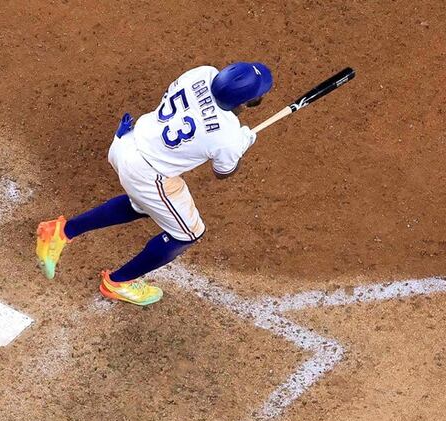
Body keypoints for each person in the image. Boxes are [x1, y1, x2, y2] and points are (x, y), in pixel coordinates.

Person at [36, 61, 274, 306]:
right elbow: (223, 173)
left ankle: (61, 231)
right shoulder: (229, 138)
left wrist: (235, 140)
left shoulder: (202, 73)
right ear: (244, 103)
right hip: (148, 174)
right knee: (188, 234)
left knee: (141, 204)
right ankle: (119, 283)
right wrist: (241, 146)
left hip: (126, 142)